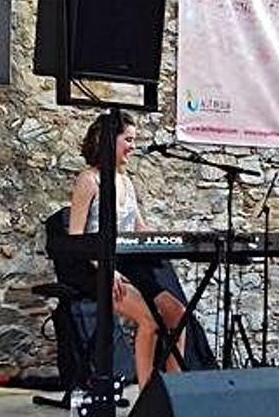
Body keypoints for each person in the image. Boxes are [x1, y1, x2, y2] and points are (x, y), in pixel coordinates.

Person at [66, 111, 191, 389]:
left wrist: (178, 239)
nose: (133, 147)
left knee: (177, 314)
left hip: (128, 262)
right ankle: (148, 398)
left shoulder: (126, 180)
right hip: (95, 266)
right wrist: (106, 270)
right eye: (129, 140)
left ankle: (176, 390)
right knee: (149, 321)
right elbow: (76, 238)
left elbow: (138, 227)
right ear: (109, 141)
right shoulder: (89, 180)